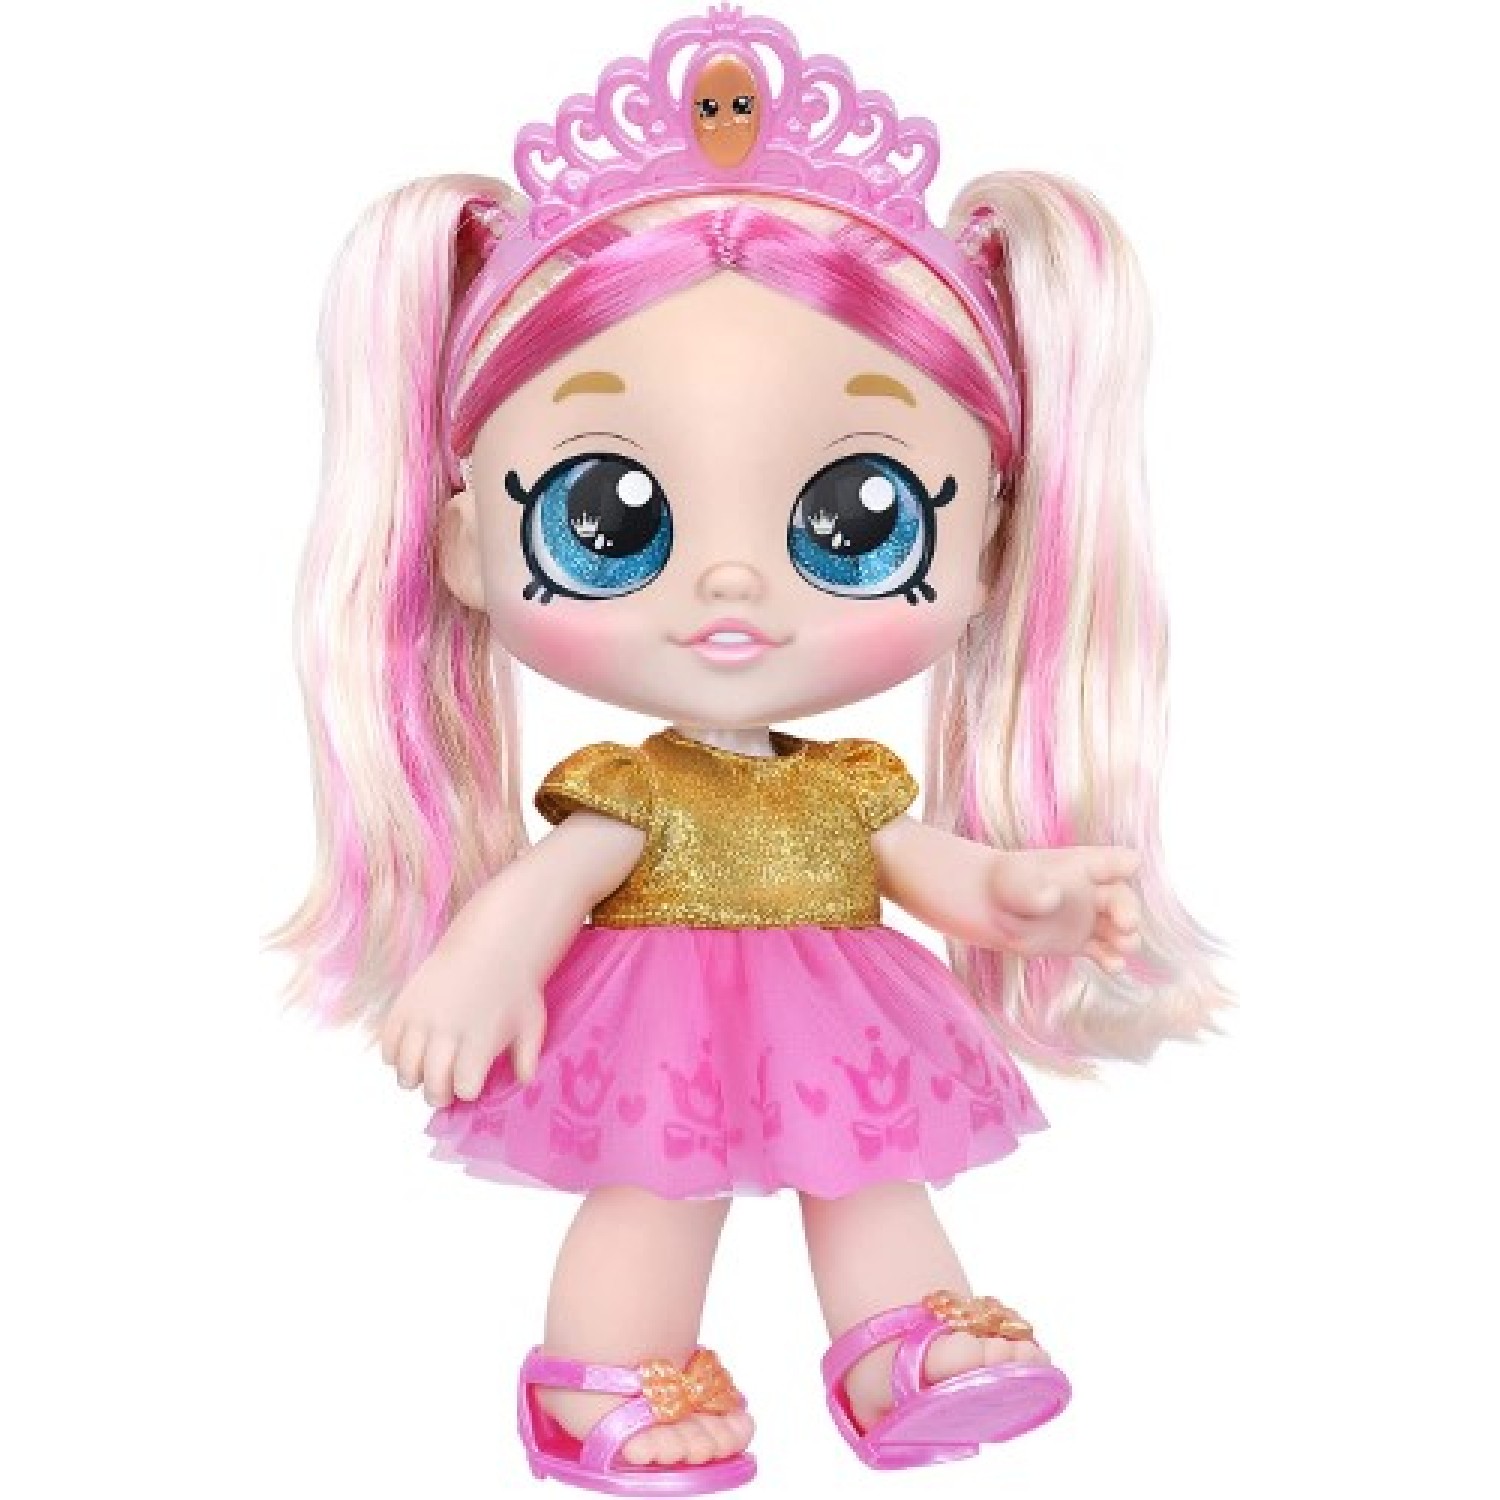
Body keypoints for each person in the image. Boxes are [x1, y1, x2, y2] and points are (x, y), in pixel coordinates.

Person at [269, 7, 1229, 1491]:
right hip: (655, 1015)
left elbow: (928, 868)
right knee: (654, 1194)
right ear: (462, 544)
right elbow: (556, 880)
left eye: (856, 517)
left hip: (838, 1009)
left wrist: (1019, 894)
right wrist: (476, 960)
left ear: (990, 543)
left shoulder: (848, 787)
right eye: (608, 515)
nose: (731, 581)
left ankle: (906, 1345)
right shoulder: (633, 788)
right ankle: (604, 1377)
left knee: (874, 1174)